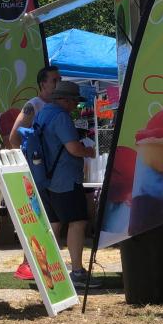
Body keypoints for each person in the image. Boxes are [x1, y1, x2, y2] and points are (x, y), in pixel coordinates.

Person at [37, 80, 99, 288]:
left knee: (54, 224)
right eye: (73, 102)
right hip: (65, 179)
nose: (75, 107)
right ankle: (77, 272)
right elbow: (73, 148)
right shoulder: (61, 117)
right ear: (64, 100)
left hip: (45, 178)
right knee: (78, 222)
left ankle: (50, 271)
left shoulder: (43, 112)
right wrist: (88, 151)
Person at [8, 65, 61, 281]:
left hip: (52, 173)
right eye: (54, 80)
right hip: (37, 173)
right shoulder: (33, 105)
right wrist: (31, 158)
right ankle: (29, 262)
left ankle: (40, 261)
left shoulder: (57, 106)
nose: (58, 83)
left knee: (50, 218)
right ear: (43, 84)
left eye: (60, 79)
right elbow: (13, 137)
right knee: (38, 217)